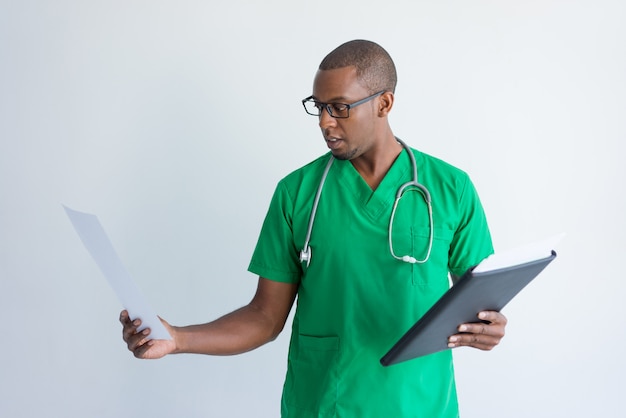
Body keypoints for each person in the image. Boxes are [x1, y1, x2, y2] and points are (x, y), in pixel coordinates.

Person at [120, 39, 507, 417]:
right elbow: (264, 318)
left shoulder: (451, 189)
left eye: (340, 108)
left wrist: (488, 329)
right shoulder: (297, 193)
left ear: (384, 103)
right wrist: (178, 338)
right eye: (319, 107)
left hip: (419, 405)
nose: (325, 122)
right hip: (323, 405)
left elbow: (478, 303)